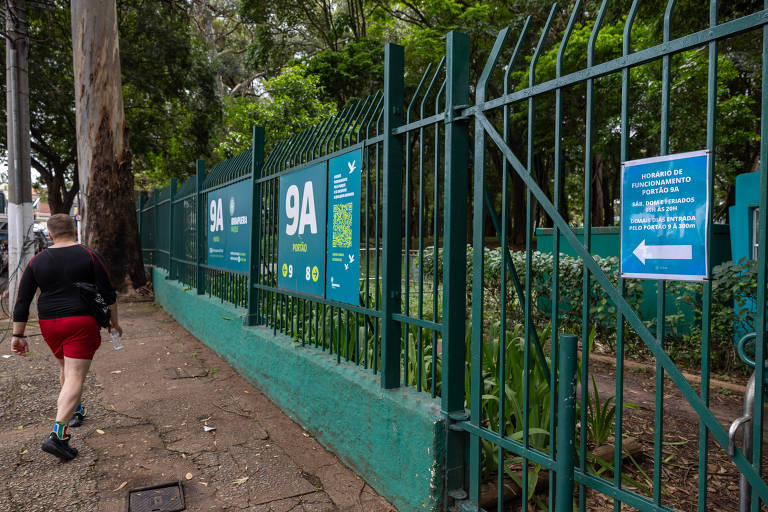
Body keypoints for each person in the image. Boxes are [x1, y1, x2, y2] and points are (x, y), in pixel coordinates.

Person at [10, 214, 122, 461]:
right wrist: (114, 324)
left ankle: (76, 410)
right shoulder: (90, 255)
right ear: (74, 230)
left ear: (50, 235)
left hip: (50, 323)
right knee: (74, 375)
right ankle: (58, 435)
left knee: (65, 367)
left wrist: (18, 334)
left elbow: (22, 300)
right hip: (80, 321)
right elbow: (108, 294)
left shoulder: (37, 261)